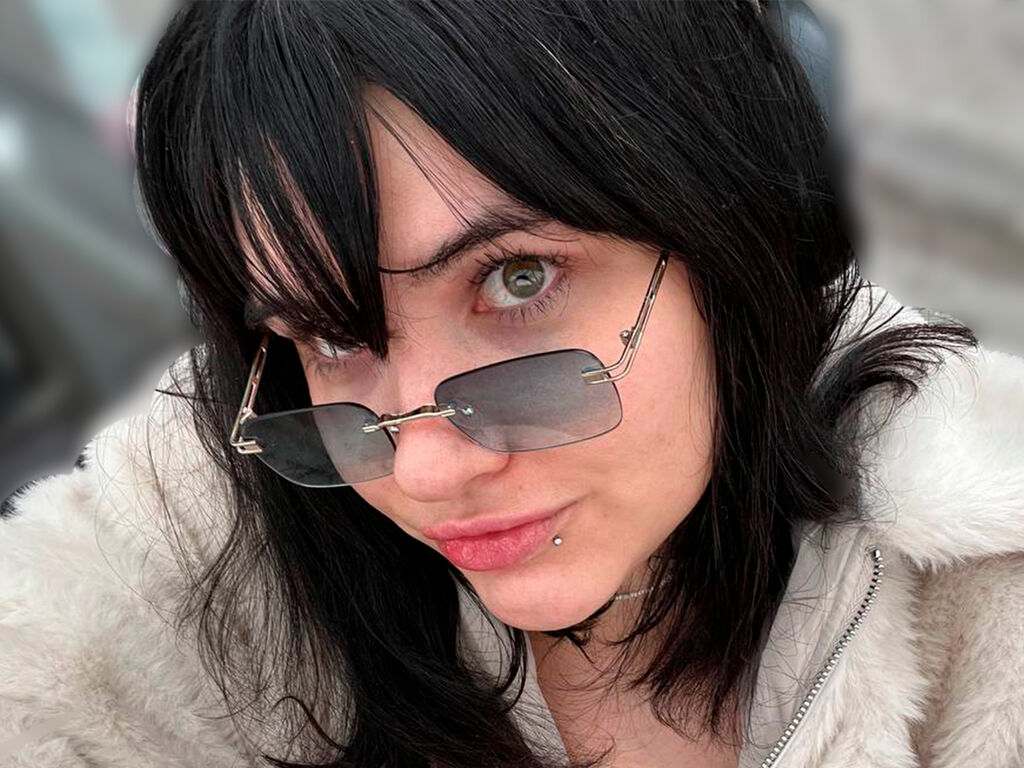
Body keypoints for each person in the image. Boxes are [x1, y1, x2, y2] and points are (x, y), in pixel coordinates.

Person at [2, 2, 1023, 767]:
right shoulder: (199, 539)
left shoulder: (991, 597)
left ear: (731, 245)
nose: (427, 468)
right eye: (330, 332)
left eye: (518, 279)